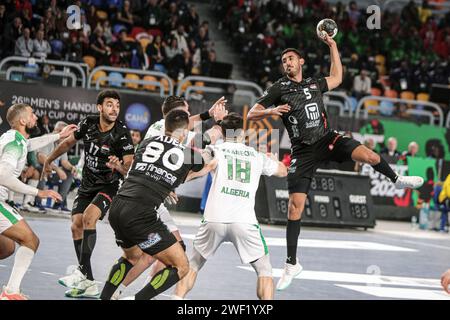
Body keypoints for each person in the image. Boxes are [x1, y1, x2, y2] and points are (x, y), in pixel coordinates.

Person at [247, 34, 424, 291]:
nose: (287, 63)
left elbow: (338, 77)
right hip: (303, 152)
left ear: (301, 61)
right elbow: (252, 113)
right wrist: (271, 111)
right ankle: (291, 264)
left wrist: (332, 45)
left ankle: (397, 180)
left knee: (371, 156)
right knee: (295, 208)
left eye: (291, 59)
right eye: (284, 60)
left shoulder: (314, 83)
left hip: (328, 138)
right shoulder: (278, 88)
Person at [100, 95, 227, 299]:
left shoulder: (146, 142)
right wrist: (219, 123)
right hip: (142, 215)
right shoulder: (185, 153)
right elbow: (203, 148)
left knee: (131, 257)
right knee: (181, 265)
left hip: (118, 208)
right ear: (184, 131)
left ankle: (105, 298)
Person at [173, 113, 288, 300]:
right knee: (264, 269)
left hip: (214, 219)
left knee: (193, 265)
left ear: (223, 134)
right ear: (242, 133)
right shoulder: (257, 155)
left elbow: (189, 159)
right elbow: (283, 172)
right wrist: (274, 160)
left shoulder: (215, 150)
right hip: (244, 221)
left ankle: (176, 299)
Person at [43, 90, 134, 298]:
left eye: (117, 106)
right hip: (87, 184)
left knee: (88, 217)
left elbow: (129, 165)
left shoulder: (122, 133)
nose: (114, 109)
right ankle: (89, 281)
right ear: (100, 107)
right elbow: (67, 143)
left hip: (109, 185)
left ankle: (81, 273)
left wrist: (119, 167)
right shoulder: (89, 123)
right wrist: (49, 159)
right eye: (110, 104)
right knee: (76, 225)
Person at [0, 103, 76, 299]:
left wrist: (59, 136)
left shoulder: (14, 138)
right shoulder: (15, 143)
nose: (36, 117)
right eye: (32, 114)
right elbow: (3, 177)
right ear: (23, 120)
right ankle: (11, 292)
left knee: (6, 247)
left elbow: (31, 144)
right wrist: (38, 193)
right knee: (30, 240)